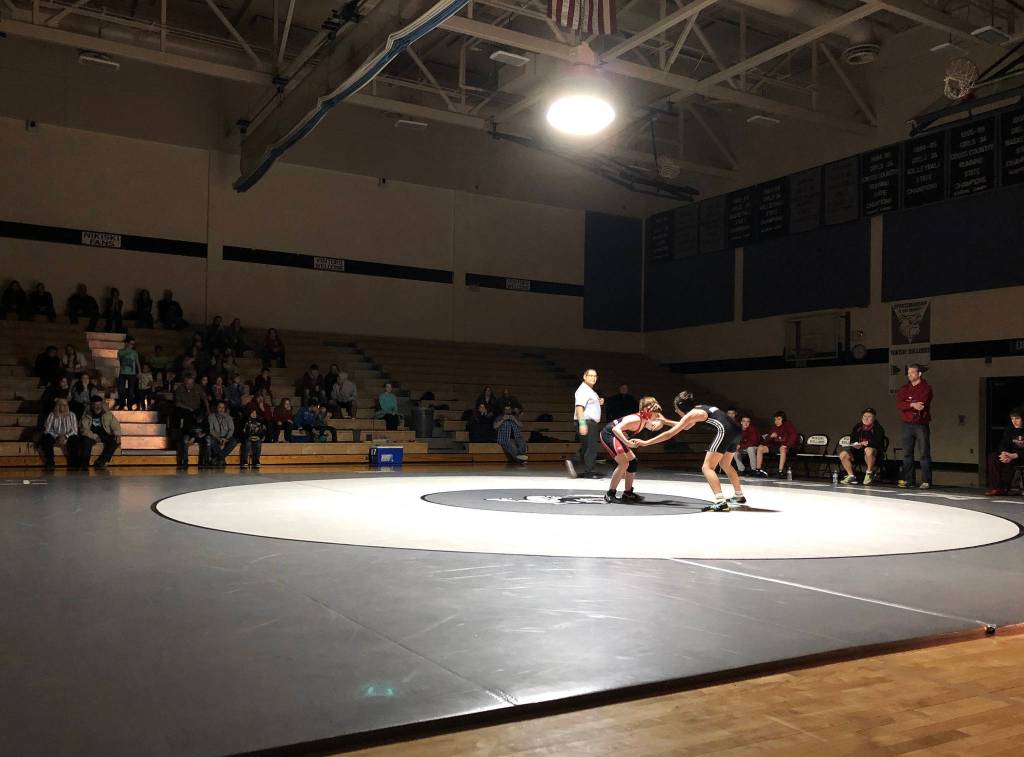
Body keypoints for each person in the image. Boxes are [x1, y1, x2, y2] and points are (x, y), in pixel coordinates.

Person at [634, 392, 746, 511]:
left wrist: (646, 442)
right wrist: (666, 421)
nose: (676, 412)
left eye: (676, 409)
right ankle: (739, 495)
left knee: (707, 467)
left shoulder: (692, 413)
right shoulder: (699, 408)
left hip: (726, 431)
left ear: (682, 407)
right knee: (725, 464)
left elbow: (669, 434)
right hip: (736, 431)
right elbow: (687, 426)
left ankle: (720, 501)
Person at [597, 396, 666, 502]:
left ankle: (628, 493)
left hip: (618, 436)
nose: (656, 417)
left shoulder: (645, 420)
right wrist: (627, 442)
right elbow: (616, 429)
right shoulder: (635, 419)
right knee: (624, 463)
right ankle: (610, 493)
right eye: (655, 414)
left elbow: (655, 426)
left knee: (632, 462)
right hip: (609, 434)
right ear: (648, 412)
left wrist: (663, 422)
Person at [897, 363, 933, 489]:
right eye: (908, 372)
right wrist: (912, 404)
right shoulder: (904, 388)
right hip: (907, 424)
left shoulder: (926, 388)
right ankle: (909, 480)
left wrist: (909, 403)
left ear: (919, 374)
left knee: (924, 452)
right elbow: (899, 404)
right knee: (907, 453)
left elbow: (921, 404)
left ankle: (926, 480)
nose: (909, 374)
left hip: (921, 424)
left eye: (912, 372)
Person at [565, 368, 603, 480]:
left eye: (595, 376)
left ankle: (573, 462)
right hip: (586, 421)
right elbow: (579, 407)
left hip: (589, 422)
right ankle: (589, 471)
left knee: (586, 447)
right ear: (584, 377)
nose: (593, 378)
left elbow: (589, 404)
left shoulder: (589, 391)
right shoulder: (583, 390)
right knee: (591, 447)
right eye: (590, 375)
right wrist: (582, 423)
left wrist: (598, 401)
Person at [838, 408, 886, 485]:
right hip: (858, 451)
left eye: (869, 416)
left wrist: (867, 443)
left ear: (874, 418)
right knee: (843, 454)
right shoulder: (857, 427)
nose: (866, 418)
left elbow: (878, 443)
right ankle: (851, 476)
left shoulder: (878, 428)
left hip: (873, 454)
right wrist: (856, 444)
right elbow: (852, 440)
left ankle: (869, 473)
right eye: (864, 416)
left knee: (868, 450)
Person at [75, 396, 121, 469]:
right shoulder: (86, 414)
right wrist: (94, 436)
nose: (98, 407)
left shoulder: (107, 413)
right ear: (92, 405)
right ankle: (85, 463)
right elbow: (84, 429)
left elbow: (115, 424)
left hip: (104, 434)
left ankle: (101, 461)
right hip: (91, 435)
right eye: (96, 405)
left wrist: (117, 434)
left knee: (115, 440)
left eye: (99, 405)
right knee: (85, 441)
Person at [986, 408, 1024, 496]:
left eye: (1017, 418)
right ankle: (997, 488)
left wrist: (1015, 455)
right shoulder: (1010, 429)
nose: (1014, 421)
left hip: (1020, 457)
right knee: (993, 457)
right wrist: (1004, 454)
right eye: (1012, 419)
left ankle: (1007, 485)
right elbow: (1003, 444)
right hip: (1010, 457)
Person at [172, 373, 207, 461]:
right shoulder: (179, 389)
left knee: (202, 418)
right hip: (185, 410)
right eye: (187, 383)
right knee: (185, 415)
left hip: (197, 410)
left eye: (191, 384)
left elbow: (204, 398)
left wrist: (208, 410)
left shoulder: (197, 387)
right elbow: (177, 403)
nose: (189, 385)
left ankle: (204, 460)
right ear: (184, 382)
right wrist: (189, 408)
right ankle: (189, 436)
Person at [754, 411, 799, 478]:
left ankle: (780, 471)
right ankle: (758, 470)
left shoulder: (788, 425)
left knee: (782, 448)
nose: (776, 421)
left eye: (779, 419)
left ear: (783, 419)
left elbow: (794, 436)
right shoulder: (774, 427)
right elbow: (767, 440)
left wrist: (786, 445)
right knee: (760, 448)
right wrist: (770, 437)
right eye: (775, 419)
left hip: (787, 447)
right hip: (775, 446)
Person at [38, 397, 78, 469]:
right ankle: (50, 463)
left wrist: (65, 436)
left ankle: (73, 463)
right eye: (61, 405)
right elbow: (47, 430)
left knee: (75, 439)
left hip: (67, 437)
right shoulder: (52, 415)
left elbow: (75, 431)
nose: (64, 406)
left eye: (65, 405)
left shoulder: (72, 415)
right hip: (55, 437)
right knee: (47, 438)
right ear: (57, 405)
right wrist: (57, 436)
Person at [205, 401, 237, 467]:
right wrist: (218, 438)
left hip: (226, 437)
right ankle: (221, 459)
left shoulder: (229, 417)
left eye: (223, 407)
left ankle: (217, 458)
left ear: (225, 409)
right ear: (216, 408)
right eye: (220, 407)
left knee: (234, 441)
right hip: (216, 437)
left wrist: (226, 439)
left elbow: (231, 429)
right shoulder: (211, 417)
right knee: (210, 439)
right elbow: (211, 430)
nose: (221, 409)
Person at [115, 336, 140, 410]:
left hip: (132, 374)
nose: (132, 345)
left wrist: (140, 372)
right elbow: (120, 359)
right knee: (121, 389)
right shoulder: (120, 351)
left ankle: (129, 405)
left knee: (131, 390)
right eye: (131, 344)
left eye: (133, 344)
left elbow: (137, 362)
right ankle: (122, 404)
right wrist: (128, 350)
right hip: (122, 373)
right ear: (126, 343)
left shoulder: (134, 352)